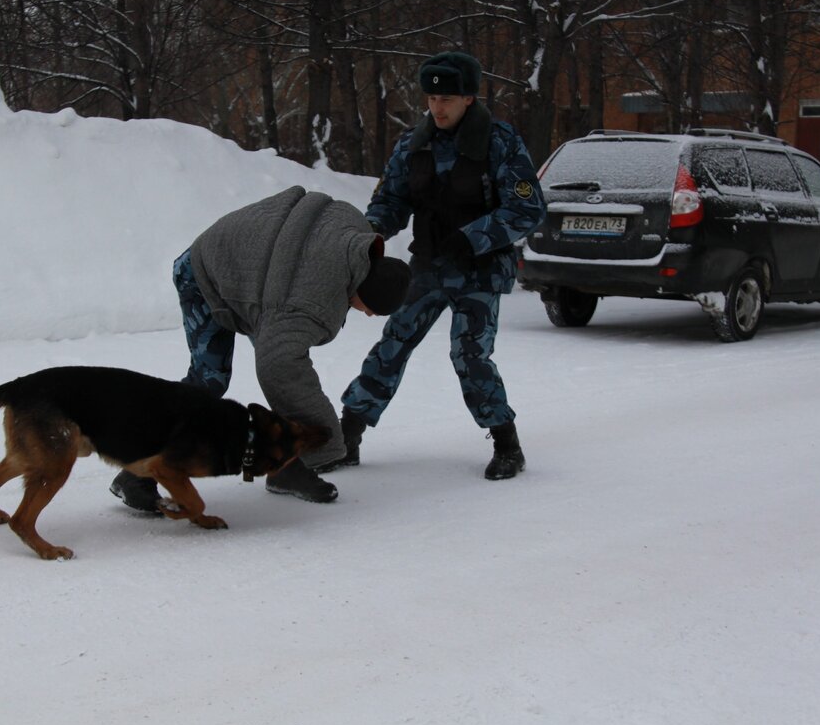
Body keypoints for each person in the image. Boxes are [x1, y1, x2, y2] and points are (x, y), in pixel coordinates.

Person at [110, 185, 411, 510]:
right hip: (202, 274)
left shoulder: (355, 241)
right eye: (368, 306)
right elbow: (280, 363)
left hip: (263, 278)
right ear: (363, 285)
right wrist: (327, 437)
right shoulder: (311, 296)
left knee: (286, 371)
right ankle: (134, 473)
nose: (365, 314)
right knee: (210, 383)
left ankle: (286, 470)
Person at [326, 51, 546, 480]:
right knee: (393, 344)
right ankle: (346, 436)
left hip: (480, 269)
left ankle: (506, 443)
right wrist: (367, 237)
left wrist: (473, 237)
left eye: (447, 98)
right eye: (431, 97)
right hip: (428, 266)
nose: (438, 107)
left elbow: (528, 209)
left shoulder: (499, 141)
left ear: (467, 98)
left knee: (469, 354)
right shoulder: (413, 142)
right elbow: (390, 201)